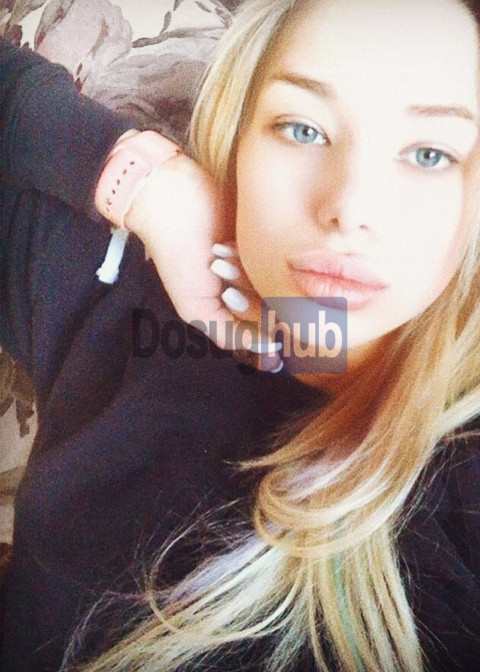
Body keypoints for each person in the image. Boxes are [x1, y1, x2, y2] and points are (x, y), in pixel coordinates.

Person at [1, 0, 479, 671]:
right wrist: (150, 186)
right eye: (302, 129)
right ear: (238, 136)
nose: (349, 208)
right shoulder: (114, 291)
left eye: (429, 154)